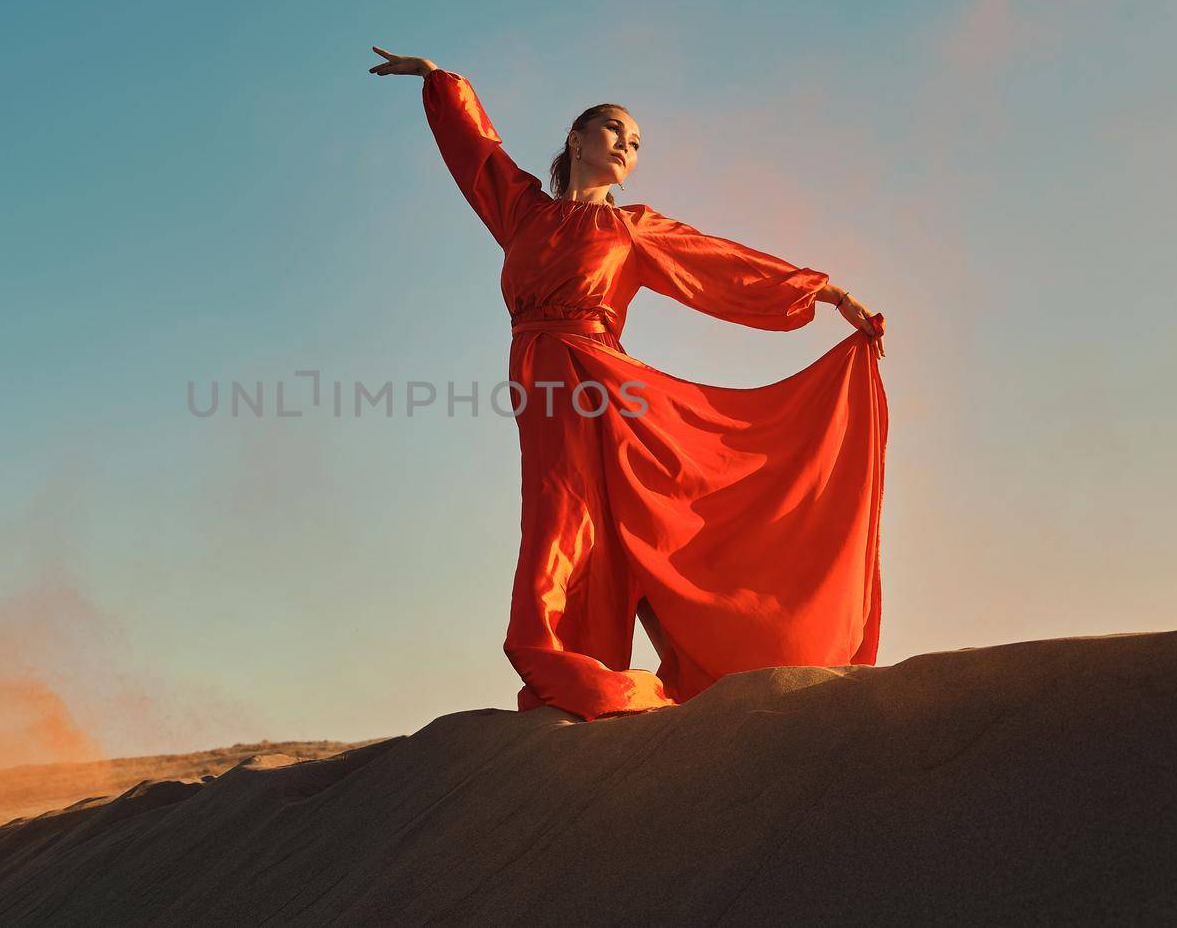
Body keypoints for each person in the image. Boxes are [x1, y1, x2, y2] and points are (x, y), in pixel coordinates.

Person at [369, 46, 889, 721]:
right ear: (577, 140)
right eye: (614, 129)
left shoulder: (630, 230)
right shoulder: (523, 212)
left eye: (637, 141)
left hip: (599, 384)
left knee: (578, 517)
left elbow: (723, 265)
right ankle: (597, 671)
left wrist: (826, 291)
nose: (626, 144)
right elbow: (478, 154)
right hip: (543, 381)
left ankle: (589, 664)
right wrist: (439, 81)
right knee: (585, 525)